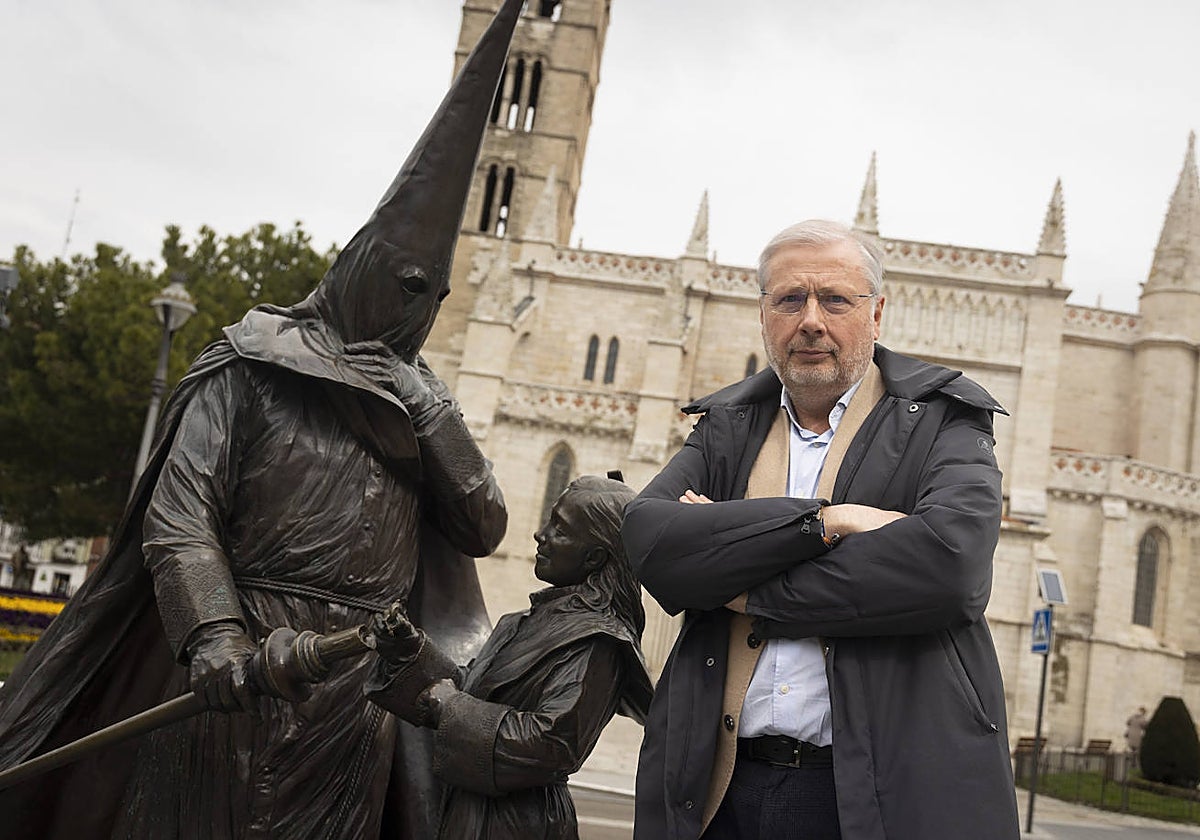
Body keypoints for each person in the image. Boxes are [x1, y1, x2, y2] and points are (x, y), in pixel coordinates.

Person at [0, 2, 523, 838]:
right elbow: (180, 518)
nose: (416, 306)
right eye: (404, 281)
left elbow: (482, 523)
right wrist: (213, 635)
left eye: (434, 293)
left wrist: (429, 409)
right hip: (239, 666)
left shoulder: (421, 398)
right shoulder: (252, 362)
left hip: (356, 693)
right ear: (358, 265)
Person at [623, 220, 1020, 840]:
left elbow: (951, 569)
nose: (811, 319)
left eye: (835, 299)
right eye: (789, 299)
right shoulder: (728, 426)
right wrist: (825, 522)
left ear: (877, 313)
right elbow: (650, 541)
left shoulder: (946, 423)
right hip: (718, 792)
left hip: (869, 794)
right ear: (764, 315)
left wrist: (739, 583)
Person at [364, 474, 654, 840]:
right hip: (468, 814)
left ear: (594, 557)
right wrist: (410, 654)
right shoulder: (521, 622)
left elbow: (552, 745)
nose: (540, 534)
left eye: (560, 529)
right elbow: (467, 689)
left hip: (519, 825)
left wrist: (450, 708)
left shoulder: (599, 642)